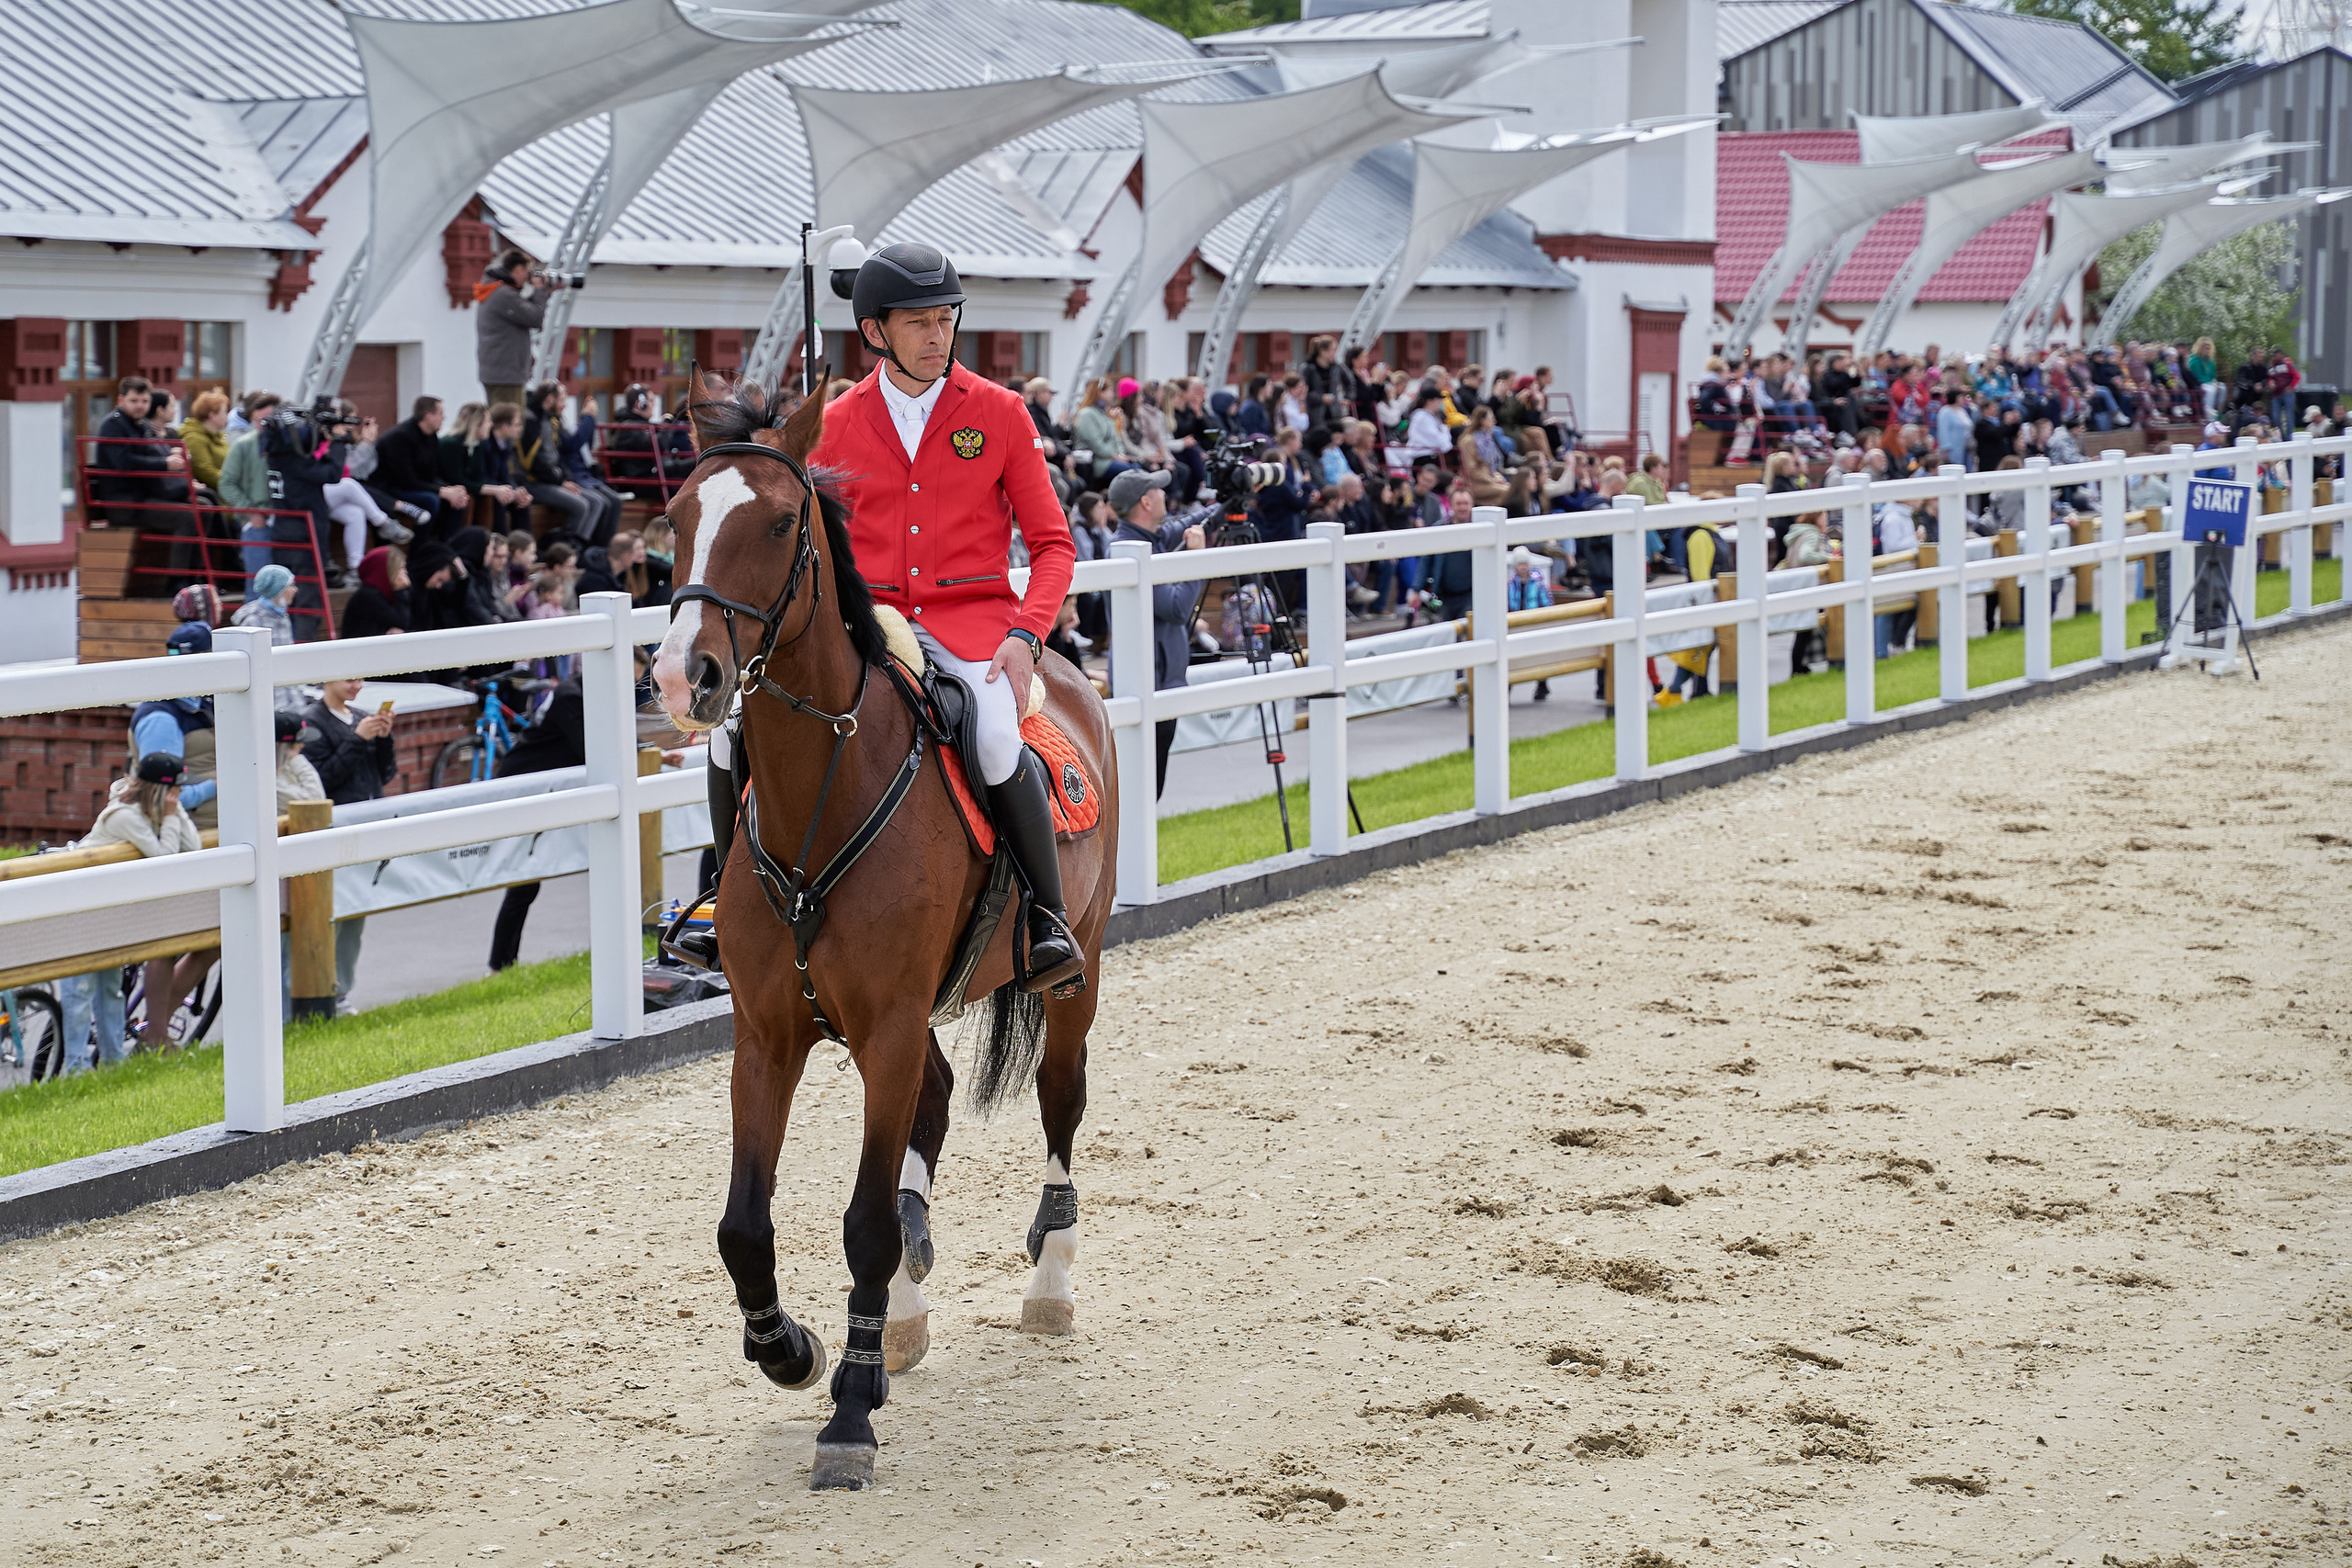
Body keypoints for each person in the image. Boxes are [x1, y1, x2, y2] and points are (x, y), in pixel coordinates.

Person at [764, 241, 1082, 990]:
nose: (939, 336)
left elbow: (1053, 545)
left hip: (974, 625)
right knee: (741, 733)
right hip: (867, 623)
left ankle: (1047, 918)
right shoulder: (832, 422)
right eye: (920, 322)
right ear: (875, 332)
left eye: (946, 319)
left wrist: (1026, 637)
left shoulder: (1001, 412)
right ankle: (727, 903)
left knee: (996, 737)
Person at [59, 752, 205, 1068]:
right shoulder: (124, 816)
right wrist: (170, 815)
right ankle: (76, 1067)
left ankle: (113, 1063)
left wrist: (175, 810)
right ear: (159, 790)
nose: (180, 793)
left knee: (111, 988)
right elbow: (164, 859)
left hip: (106, 910)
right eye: (175, 789)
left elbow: (193, 849)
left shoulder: (156, 810)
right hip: (79, 907)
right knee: (81, 991)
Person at [1106, 469, 1208, 796]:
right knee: (1142, 791)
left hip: (1160, 678)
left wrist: (1231, 500)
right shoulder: (1126, 549)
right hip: (1150, 681)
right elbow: (1177, 608)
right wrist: (1197, 560)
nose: (1166, 494)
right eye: (1159, 490)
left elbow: (1194, 521)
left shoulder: (1151, 537)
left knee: (1150, 787)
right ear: (1146, 503)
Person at [302, 677, 398, 1010]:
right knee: (330, 913)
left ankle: (341, 991)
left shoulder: (361, 717)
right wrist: (357, 740)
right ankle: (321, 993)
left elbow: (385, 774)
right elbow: (321, 781)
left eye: (360, 678)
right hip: (334, 830)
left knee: (355, 913)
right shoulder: (312, 723)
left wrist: (383, 739)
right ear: (328, 678)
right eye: (349, 679)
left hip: (367, 827)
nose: (357, 685)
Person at [486, 672, 587, 971]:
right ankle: (501, 964)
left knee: (526, 882)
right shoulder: (571, 696)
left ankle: (502, 963)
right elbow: (588, 746)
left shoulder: (577, 692)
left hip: (542, 790)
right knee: (524, 880)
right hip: (525, 789)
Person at [375, 396, 472, 537]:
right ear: (429, 416)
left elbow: (430, 475)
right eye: (440, 414)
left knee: (459, 499)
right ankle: (418, 548)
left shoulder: (431, 436)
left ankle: (447, 545)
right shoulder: (400, 437)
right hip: (390, 488)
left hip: (413, 485)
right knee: (431, 500)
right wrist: (443, 492)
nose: (444, 418)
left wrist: (450, 489)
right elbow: (405, 480)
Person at [475, 247, 555, 407]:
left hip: (499, 373)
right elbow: (534, 318)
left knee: (502, 418)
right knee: (511, 419)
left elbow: (524, 311)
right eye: (527, 271)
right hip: (506, 376)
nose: (528, 277)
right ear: (518, 270)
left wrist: (544, 293)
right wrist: (540, 290)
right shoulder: (504, 295)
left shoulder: (496, 291)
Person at [343, 546, 412, 639]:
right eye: (401, 568)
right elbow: (401, 622)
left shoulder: (385, 592)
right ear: (387, 570)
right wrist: (401, 590)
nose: (405, 572)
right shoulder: (369, 595)